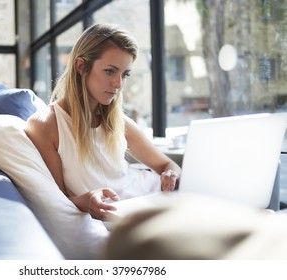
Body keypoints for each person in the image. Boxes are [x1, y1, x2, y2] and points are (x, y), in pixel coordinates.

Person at [25, 23, 181, 220]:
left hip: (155, 199)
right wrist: (84, 200)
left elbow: (167, 165)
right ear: (81, 66)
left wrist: (171, 175)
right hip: (129, 217)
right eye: (110, 71)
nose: (118, 84)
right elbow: (56, 200)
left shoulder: (118, 121)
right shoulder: (45, 125)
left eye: (125, 74)